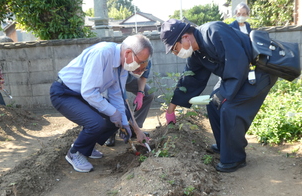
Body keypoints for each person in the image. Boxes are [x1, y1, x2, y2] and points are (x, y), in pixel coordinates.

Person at [160, 19, 278, 173]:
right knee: (213, 103)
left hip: (259, 70)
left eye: (175, 49)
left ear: (185, 37)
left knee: (229, 107)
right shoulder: (197, 54)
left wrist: (223, 95)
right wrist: (170, 110)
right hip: (240, 75)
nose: (176, 54)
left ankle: (235, 158)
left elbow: (238, 64)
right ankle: (225, 146)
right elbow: (189, 80)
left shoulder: (213, 31)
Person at [50, 34, 153, 173]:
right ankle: (75, 152)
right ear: (128, 53)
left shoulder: (123, 66)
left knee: (117, 117)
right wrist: (114, 113)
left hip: (83, 95)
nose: (140, 67)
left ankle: (88, 146)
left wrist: (124, 123)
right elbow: (89, 92)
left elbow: (116, 95)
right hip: (65, 93)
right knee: (97, 122)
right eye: (140, 62)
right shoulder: (102, 53)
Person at [105, 60, 154, 146]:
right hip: (112, 81)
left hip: (129, 79)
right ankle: (110, 133)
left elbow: (143, 77)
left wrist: (140, 93)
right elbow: (124, 103)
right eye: (138, 70)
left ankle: (132, 129)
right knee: (112, 103)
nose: (140, 72)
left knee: (149, 93)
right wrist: (138, 131)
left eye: (142, 70)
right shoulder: (122, 65)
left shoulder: (146, 60)